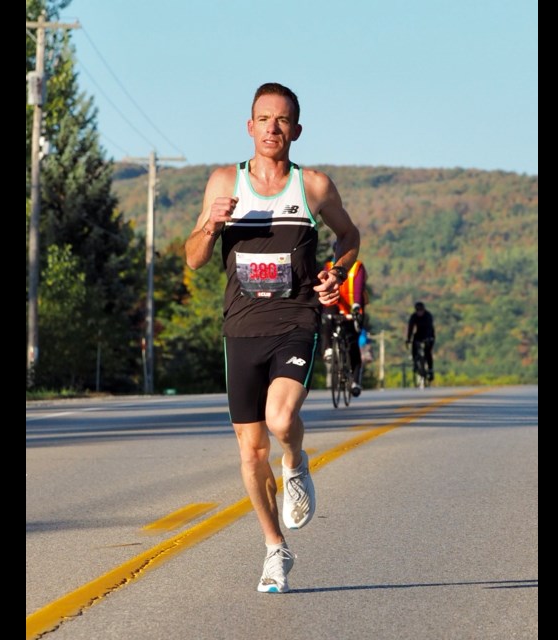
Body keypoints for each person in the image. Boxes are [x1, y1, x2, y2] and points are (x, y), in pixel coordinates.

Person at [184, 82, 360, 594]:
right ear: (249, 126)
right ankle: (274, 549)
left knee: (281, 419)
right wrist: (212, 227)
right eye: (264, 119)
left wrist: (336, 271)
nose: (272, 128)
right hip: (240, 329)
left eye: (282, 120)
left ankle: (297, 462)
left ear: (296, 131)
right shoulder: (223, 183)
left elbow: (349, 238)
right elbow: (193, 259)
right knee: (250, 450)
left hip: (295, 322)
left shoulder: (314, 188)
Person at [320, 254, 367, 396]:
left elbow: (358, 288)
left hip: (353, 306)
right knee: (327, 319)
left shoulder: (357, 266)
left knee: (352, 344)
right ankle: (328, 349)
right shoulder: (328, 266)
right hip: (334, 303)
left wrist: (356, 307)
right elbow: (324, 287)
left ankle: (355, 382)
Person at [406, 301, 435, 381]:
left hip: (429, 334)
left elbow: (430, 327)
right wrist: (408, 339)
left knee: (427, 351)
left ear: (424, 310)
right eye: (418, 311)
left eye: (421, 310)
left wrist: (429, 339)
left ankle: (430, 370)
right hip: (419, 334)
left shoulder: (428, 316)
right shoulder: (414, 316)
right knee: (414, 346)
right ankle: (415, 362)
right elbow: (410, 328)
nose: (420, 312)